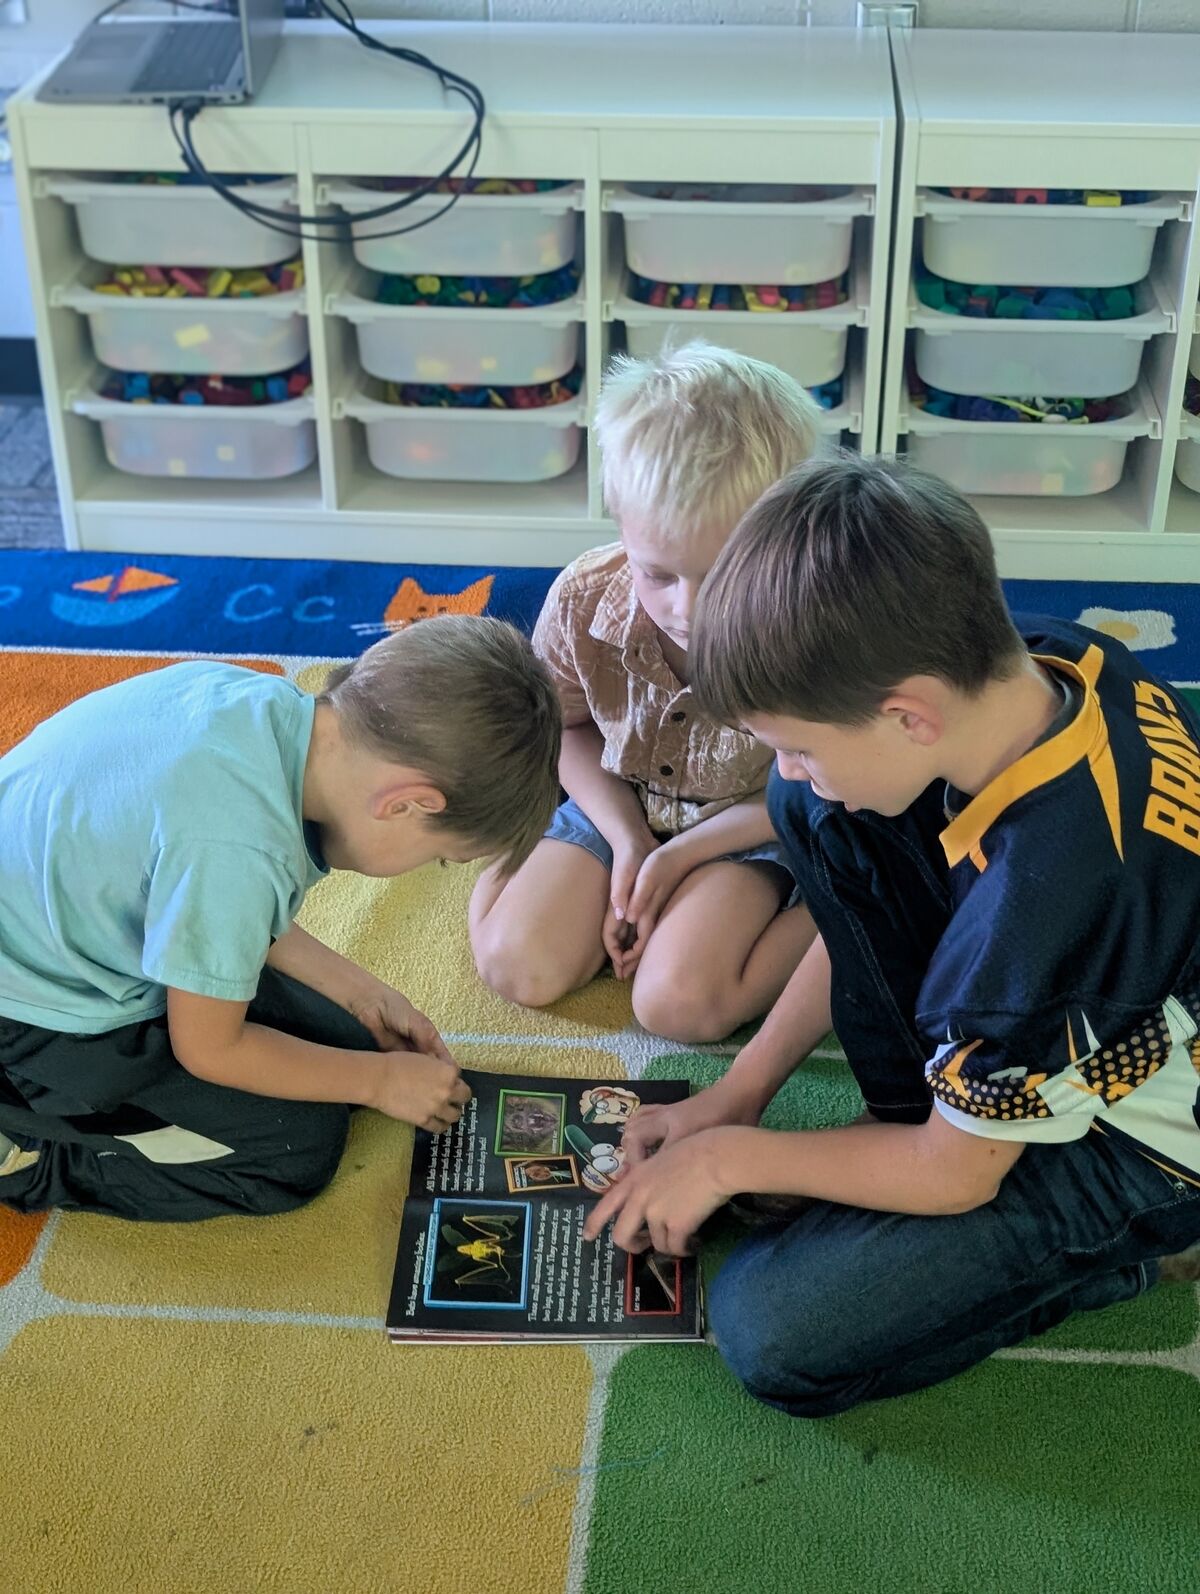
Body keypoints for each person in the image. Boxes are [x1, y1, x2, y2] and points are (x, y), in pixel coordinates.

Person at [584, 453, 1200, 1416]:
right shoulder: (1042, 660)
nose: (788, 765)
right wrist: (744, 1094)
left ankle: (1130, 1261)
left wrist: (730, 1159)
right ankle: (911, 1119)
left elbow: (955, 1177)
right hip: (1077, 993)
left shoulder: (1031, 938)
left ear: (907, 714)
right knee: (817, 808)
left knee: (773, 1331)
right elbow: (846, 849)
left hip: (1146, 1145)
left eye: (799, 737)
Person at [0, 617, 560, 1222]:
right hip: (34, 1017)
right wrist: (377, 1083)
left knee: (349, 1039)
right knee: (295, 1149)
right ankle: (32, 1155)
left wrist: (361, 991)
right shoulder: (238, 846)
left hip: (66, 923)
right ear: (405, 804)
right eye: (441, 859)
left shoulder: (266, 710)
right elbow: (210, 1049)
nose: (430, 870)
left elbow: (218, 905)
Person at [470, 342, 822, 1042]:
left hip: (754, 830)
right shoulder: (583, 595)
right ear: (623, 529)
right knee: (519, 967)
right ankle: (546, 873)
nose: (687, 609)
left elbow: (818, 785)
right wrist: (630, 842)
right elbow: (565, 729)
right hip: (615, 807)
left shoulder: (814, 623)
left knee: (678, 1007)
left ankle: (841, 915)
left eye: (722, 575)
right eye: (657, 574)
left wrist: (680, 857)